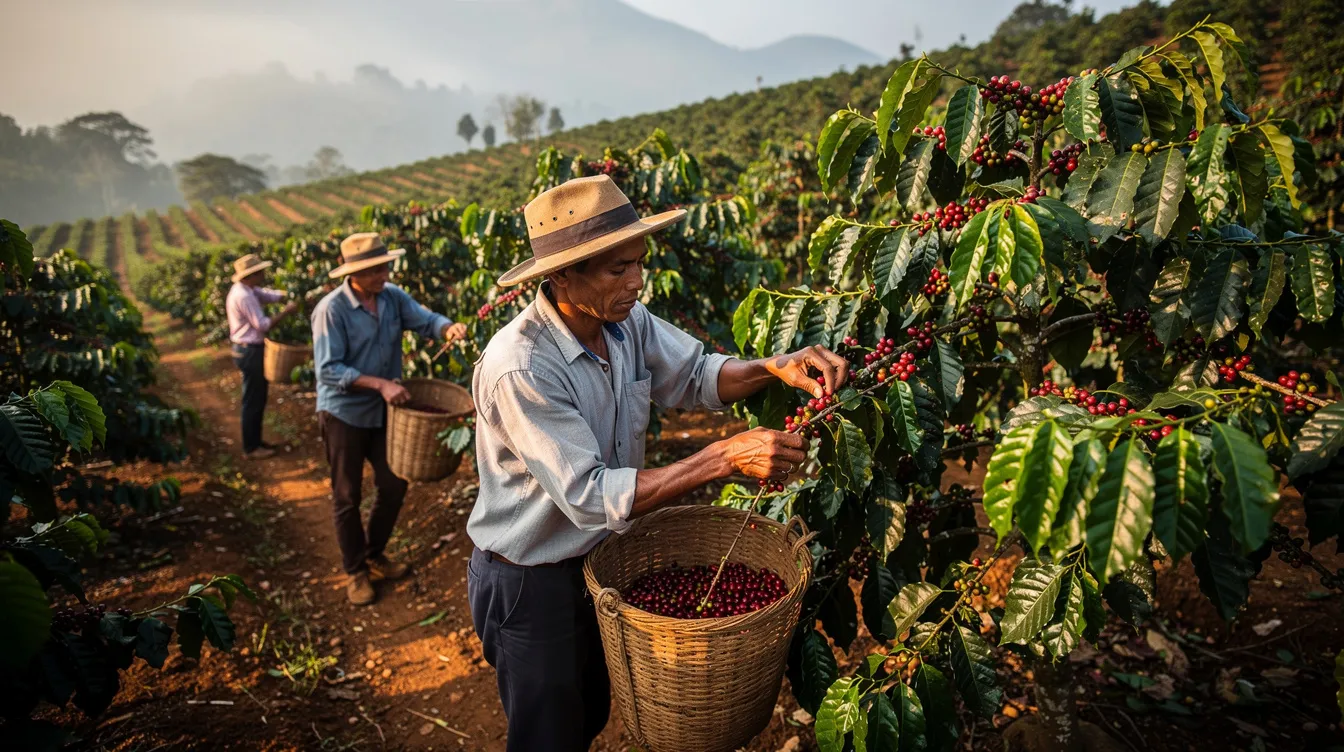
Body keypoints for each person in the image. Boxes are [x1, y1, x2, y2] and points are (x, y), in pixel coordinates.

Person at [468, 175, 849, 752]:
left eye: (639, 263)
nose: (636, 282)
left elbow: (697, 374)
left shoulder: (622, 323)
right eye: (617, 269)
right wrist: (723, 456)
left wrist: (775, 366)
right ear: (561, 275)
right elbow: (591, 496)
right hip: (530, 579)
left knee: (591, 708)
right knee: (547, 733)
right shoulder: (521, 367)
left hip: (600, 563)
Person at [311, 232, 468, 605]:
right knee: (347, 495)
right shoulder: (331, 310)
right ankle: (355, 571)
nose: (386, 273)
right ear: (356, 273)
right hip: (343, 413)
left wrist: (447, 327)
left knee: (395, 483)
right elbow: (329, 370)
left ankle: (374, 553)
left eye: (385, 266)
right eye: (378, 269)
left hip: (385, 412)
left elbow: (425, 320)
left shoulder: (391, 297)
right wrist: (380, 384)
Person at [226, 253, 299, 460]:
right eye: (260, 272)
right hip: (249, 350)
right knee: (253, 399)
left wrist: (289, 294)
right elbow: (263, 325)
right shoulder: (244, 296)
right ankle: (251, 447)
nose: (264, 275)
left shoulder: (247, 289)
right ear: (251, 276)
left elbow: (268, 295)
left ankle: (255, 441)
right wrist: (287, 311)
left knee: (257, 397)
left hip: (245, 349)